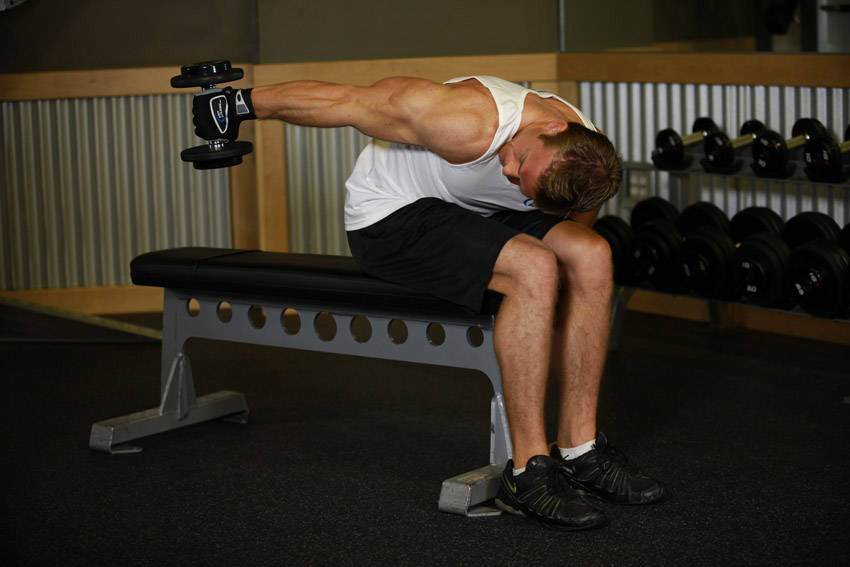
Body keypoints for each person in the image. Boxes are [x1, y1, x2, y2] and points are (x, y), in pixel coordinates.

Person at [193, 74, 665, 530]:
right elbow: (346, 101)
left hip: (475, 215)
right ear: (553, 128)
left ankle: (580, 451)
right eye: (520, 161)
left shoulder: (584, 161)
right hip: (393, 214)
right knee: (534, 267)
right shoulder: (466, 120)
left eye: (523, 180)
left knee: (593, 255)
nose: (508, 171)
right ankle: (527, 471)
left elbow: (575, 232)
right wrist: (239, 105)